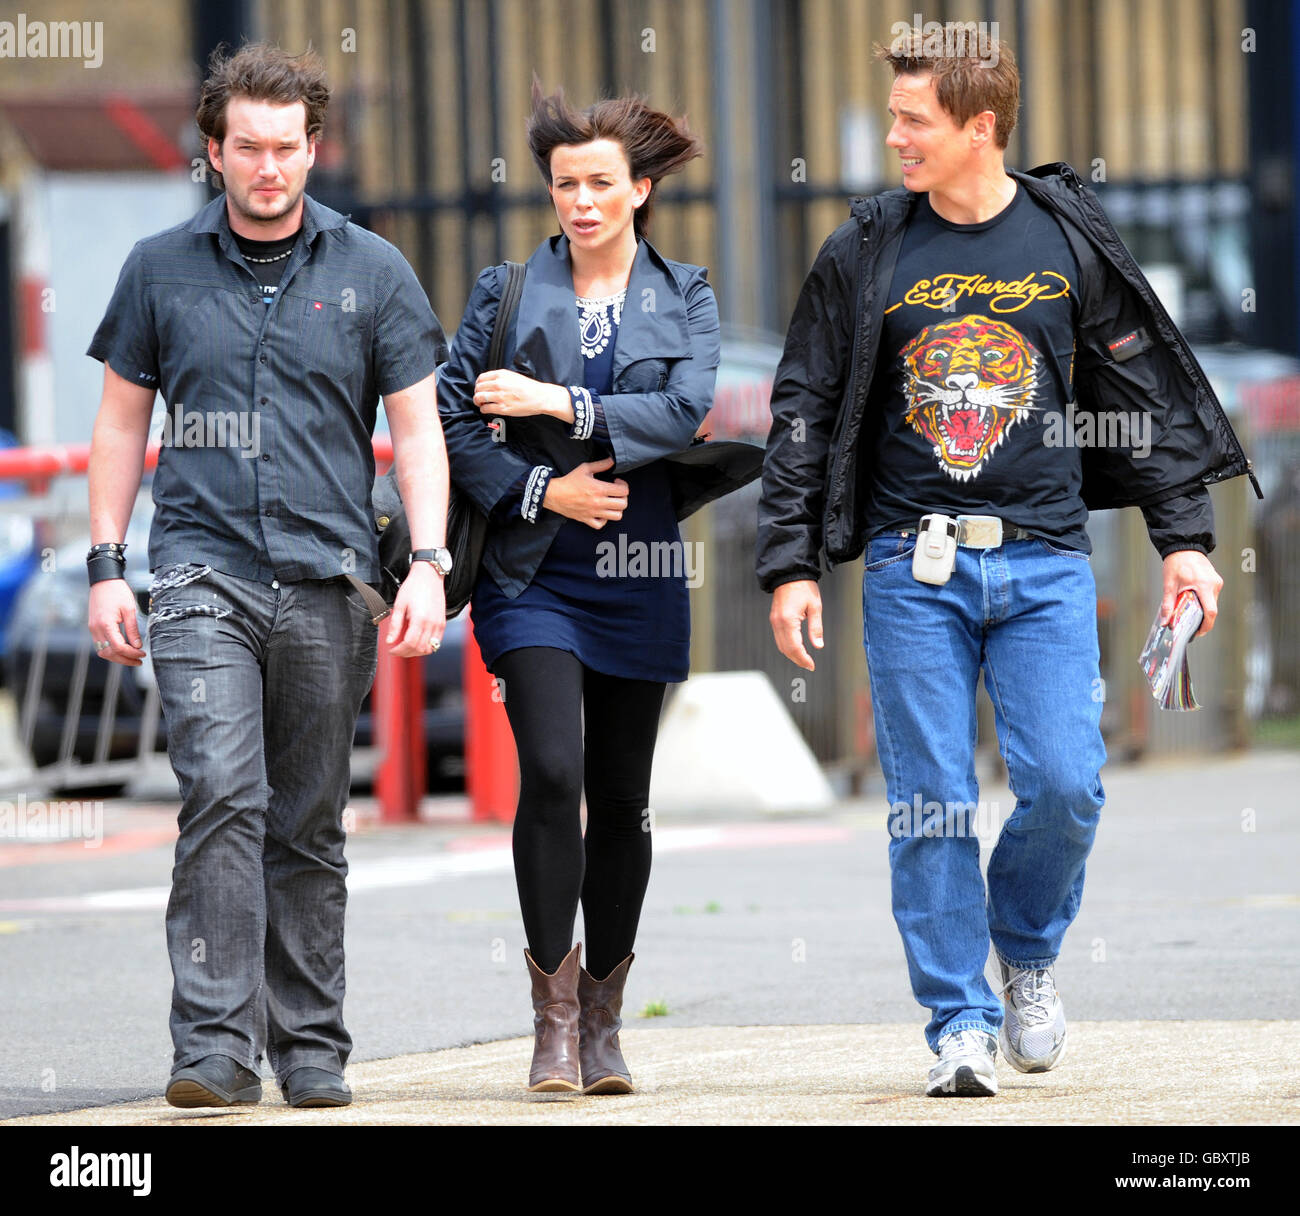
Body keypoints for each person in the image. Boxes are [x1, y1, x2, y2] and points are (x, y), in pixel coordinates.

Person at [756, 27, 1257, 1097]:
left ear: (979, 127)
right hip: (910, 567)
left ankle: (1022, 949)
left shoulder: (1065, 238)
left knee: (1067, 785)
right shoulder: (866, 249)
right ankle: (957, 1022)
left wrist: (1185, 544)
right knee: (931, 799)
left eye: (912, 119)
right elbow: (800, 403)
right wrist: (788, 561)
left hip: (1042, 562)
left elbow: (1142, 398)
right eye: (891, 116)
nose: (893, 136)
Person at [85, 43, 451, 1109]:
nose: (268, 168)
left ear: (313, 149)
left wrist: (426, 562)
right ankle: (211, 1045)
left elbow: (417, 433)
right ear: (214, 151)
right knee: (221, 795)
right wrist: (108, 564)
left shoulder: (371, 270)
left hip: (329, 577)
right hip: (202, 571)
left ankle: (310, 1047)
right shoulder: (159, 268)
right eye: (247, 148)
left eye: (287, 148)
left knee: (305, 822)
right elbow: (118, 426)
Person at [439, 84, 720, 1094]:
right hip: (532, 570)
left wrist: (557, 402)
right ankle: (551, 1024)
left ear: (640, 188)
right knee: (554, 771)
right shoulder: (503, 292)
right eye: (565, 184)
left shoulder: (684, 293)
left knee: (625, 799)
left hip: (638, 569)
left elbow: (684, 411)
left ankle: (604, 1020)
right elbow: (451, 419)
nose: (582, 200)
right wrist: (537, 487)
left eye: (602, 182)